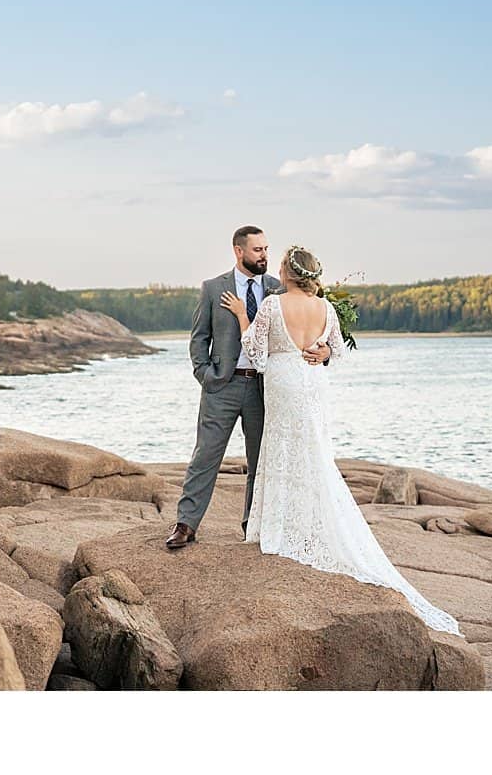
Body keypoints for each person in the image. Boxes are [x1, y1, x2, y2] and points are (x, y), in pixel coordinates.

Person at [223, 244, 462, 635]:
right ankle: (304, 528)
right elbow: (336, 349)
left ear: (286, 272)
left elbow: (255, 351)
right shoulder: (326, 309)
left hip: (284, 380)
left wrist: (240, 317)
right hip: (313, 381)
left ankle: (280, 530)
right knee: (314, 452)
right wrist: (324, 351)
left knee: (282, 449)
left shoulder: (270, 306)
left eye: (280, 264)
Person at [165, 226, 331, 551]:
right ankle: (186, 523)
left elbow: (303, 333)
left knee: (261, 460)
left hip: (265, 388)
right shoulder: (213, 288)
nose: (264, 256)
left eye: (267, 249)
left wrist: (324, 353)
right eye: (258, 250)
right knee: (206, 456)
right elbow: (199, 337)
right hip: (222, 386)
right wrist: (205, 374)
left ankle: (251, 524)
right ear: (238, 251)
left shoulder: (277, 288)